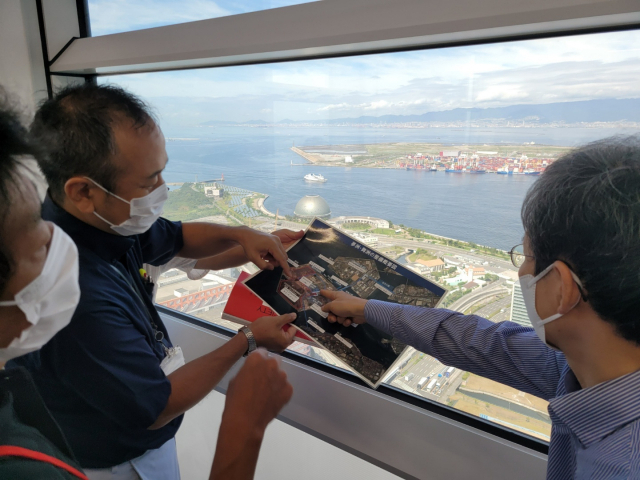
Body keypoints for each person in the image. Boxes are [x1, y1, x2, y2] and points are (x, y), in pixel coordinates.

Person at [7, 83, 298, 479]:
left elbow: (178, 238)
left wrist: (243, 235)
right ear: (85, 192)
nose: (163, 189)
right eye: (149, 181)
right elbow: (156, 407)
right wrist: (247, 339)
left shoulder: (103, 220)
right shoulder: (75, 293)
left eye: (162, 171)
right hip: (111, 462)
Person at [320, 136, 640, 479]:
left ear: (562, 289)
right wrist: (370, 309)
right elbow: (482, 343)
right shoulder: (584, 364)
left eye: (526, 256)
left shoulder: (617, 467)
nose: (522, 270)